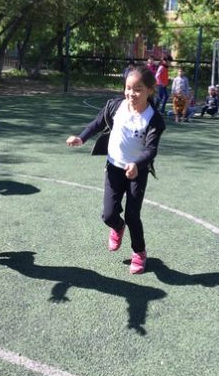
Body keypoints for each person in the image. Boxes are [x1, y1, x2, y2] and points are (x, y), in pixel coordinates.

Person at [66, 66, 165, 275]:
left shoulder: (154, 119)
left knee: (132, 215)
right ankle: (117, 227)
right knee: (109, 215)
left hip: (137, 172)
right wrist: (81, 138)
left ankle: (139, 252)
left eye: (137, 89)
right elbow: (97, 123)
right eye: (128, 88)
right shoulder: (115, 106)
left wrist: (136, 164)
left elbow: (151, 149)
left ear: (149, 91)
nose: (131, 93)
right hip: (113, 167)